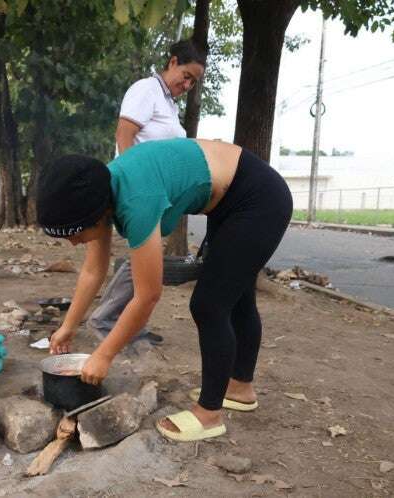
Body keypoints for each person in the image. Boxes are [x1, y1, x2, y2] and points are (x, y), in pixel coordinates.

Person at [37, 137, 292, 441]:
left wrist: (104, 355)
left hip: (258, 198)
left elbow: (147, 295)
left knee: (210, 305)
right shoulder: (99, 191)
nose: (74, 242)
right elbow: (93, 270)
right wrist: (67, 327)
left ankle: (209, 416)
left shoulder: (136, 202)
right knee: (237, 295)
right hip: (230, 201)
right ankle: (239, 388)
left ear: (98, 213)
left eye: (76, 233)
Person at [88, 40, 205, 345]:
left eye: (193, 81)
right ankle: (104, 321)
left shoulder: (168, 102)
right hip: (138, 190)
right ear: (173, 61)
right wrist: (133, 182)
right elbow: (124, 135)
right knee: (140, 259)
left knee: (144, 259)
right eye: (187, 75)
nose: (188, 84)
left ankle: (129, 327)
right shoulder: (146, 90)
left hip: (158, 193)